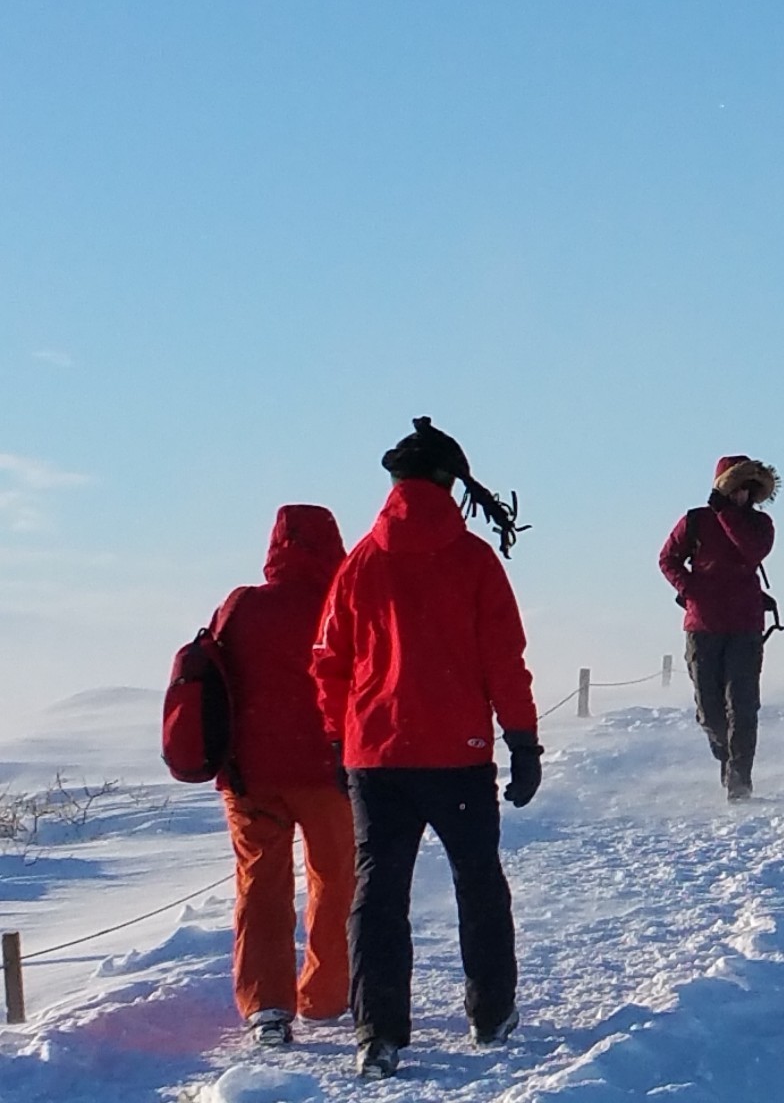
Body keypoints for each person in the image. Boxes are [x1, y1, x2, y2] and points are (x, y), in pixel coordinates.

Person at [313, 417, 541, 1081]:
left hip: (376, 756)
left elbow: (328, 661)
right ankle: (491, 1014)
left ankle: (377, 1034)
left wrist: (337, 737)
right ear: (450, 483)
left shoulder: (360, 562)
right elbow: (505, 660)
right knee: (478, 882)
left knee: (378, 894)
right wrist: (522, 740)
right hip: (459, 756)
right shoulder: (474, 560)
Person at [213, 505, 353, 1048]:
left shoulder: (241, 605)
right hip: (328, 772)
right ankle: (325, 995)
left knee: (260, 886)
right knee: (336, 882)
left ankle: (266, 1006)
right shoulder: (344, 605)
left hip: (252, 777)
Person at [659, 455, 778, 801]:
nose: (742, 494)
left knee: (742, 705)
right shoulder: (695, 521)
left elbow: (752, 550)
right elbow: (667, 559)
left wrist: (726, 513)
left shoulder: (760, 525)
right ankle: (727, 757)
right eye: (736, 487)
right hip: (702, 626)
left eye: (747, 489)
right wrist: (689, 589)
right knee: (709, 709)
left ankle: (740, 780)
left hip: (746, 625)